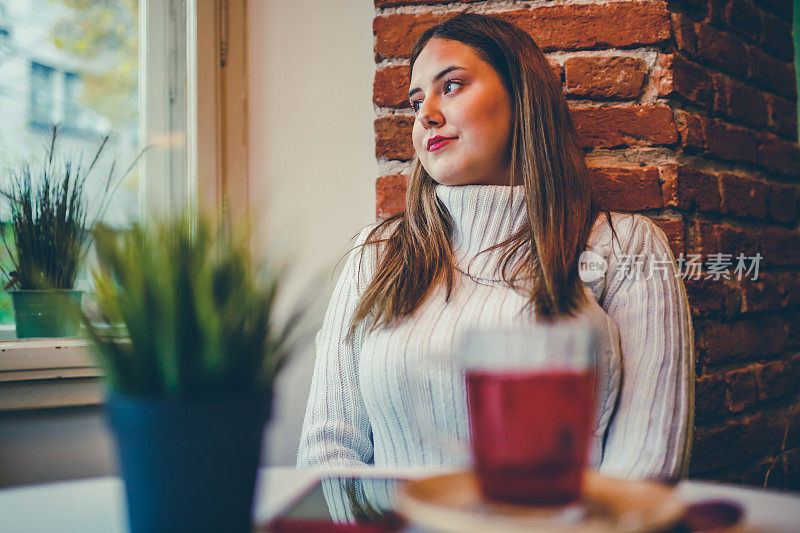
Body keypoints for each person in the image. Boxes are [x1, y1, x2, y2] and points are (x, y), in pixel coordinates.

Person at [297, 12, 694, 483]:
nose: (425, 115)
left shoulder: (627, 246)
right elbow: (327, 455)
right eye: (416, 100)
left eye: (452, 86)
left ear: (521, 98)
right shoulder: (376, 254)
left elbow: (648, 467)